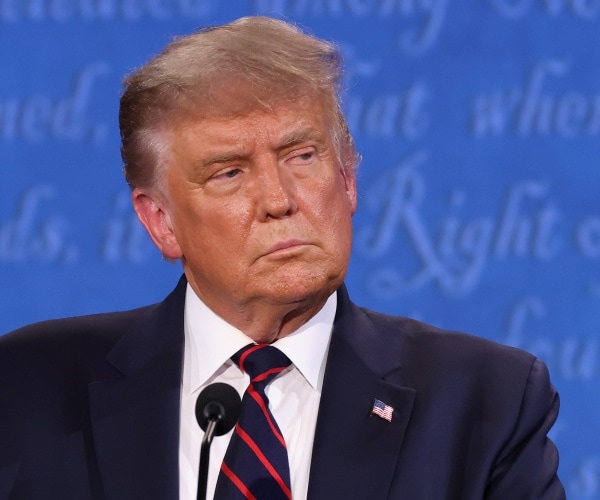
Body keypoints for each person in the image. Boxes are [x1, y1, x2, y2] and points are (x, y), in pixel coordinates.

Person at [0, 16, 565, 500]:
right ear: (161, 222)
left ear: (347, 180)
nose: (278, 200)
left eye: (302, 155)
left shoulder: (486, 402)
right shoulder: (27, 387)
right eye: (229, 172)